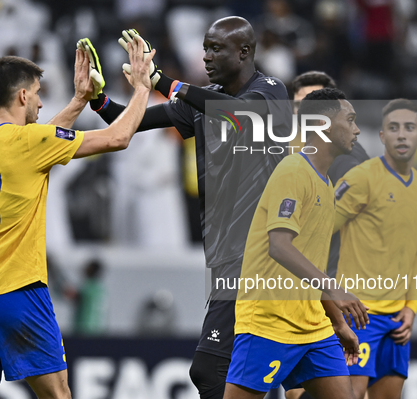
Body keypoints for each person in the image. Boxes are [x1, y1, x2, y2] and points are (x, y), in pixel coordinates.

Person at [83, 17, 293, 399]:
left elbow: (235, 114)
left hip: (262, 254)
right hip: (229, 254)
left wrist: (161, 80)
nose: (207, 56)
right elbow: (128, 122)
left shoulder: (271, 92)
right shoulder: (202, 101)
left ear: (244, 52)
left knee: (210, 367)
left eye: (217, 48)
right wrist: (96, 99)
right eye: (205, 47)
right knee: (254, 367)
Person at [0, 37, 155, 398]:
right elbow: (118, 137)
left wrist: (78, 100)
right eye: (38, 93)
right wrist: (142, 88)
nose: (42, 102)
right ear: (23, 97)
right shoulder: (29, 144)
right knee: (57, 395)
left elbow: (42, 143)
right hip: (17, 290)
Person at [224, 88, 368, 399]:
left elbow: (311, 263)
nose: (356, 129)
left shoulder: (325, 185)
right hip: (268, 322)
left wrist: (338, 322)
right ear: (325, 124)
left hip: (313, 327)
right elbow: (279, 246)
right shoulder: (292, 171)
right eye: (351, 120)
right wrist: (335, 289)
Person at [333, 99, 417, 399]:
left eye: (409, 128)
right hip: (358, 315)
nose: (401, 135)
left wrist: (411, 307)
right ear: (382, 136)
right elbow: (319, 232)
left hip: (396, 320)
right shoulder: (361, 178)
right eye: (393, 128)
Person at [286, 72, 370, 399]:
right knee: (297, 391)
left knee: (347, 387)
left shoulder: (348, 157)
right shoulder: (281, 154)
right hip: (294, 289)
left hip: (339, 282)